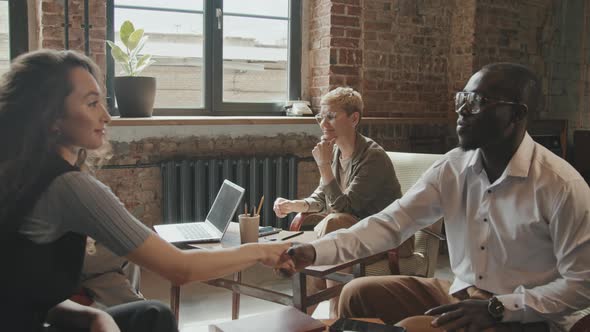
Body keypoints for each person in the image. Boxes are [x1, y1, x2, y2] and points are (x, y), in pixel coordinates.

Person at [279, 63, 590, 332]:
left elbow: (582, 285)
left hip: (523, 316)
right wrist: (315, 251)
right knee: (356, 294)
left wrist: (500, 307)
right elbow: (391, 223)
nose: (461, 110)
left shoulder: (561, 186)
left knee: (414, 328)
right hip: (462, 295)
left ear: (516, 115)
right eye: (461, 99)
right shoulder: (453, 167)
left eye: (477, 102)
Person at [0, 49, 292, 332]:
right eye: (91, 104)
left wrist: (92, 318)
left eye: (102, 102)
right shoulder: (69, 187)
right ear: (52, 118)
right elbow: (180, 269)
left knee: (152, 314)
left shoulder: (24, 174)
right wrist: (260, 251)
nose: (106, 116)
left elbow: (22, 291)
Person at [273, 87, 405, 316]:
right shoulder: (335, 152)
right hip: (352, 232)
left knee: (333, 224)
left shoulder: (372, 157)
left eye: (331, 116)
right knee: (331, 230)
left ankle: (332, 315)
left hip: (387, 237)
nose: (323, 123)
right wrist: (297, 205)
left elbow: (343, 207)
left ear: (354, 119)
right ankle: (299, 319)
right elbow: (323, 196)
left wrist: (323, 166)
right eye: (320, 116)